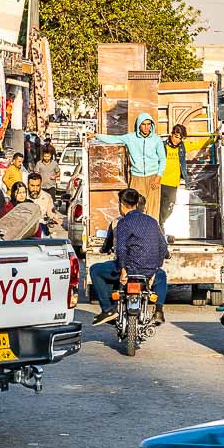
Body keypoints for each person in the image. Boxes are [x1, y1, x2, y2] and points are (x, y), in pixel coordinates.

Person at [89, 188, 169, 327]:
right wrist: (155, 269)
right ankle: (159, 311)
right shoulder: (152, 221)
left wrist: (124, 270)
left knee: (95, 270)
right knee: (162, 276)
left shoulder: (123, 222)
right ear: (137, 204)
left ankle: (108, 309)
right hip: (149, 271)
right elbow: (163, 247)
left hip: (129, 269)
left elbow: (121, 248)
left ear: (121, 204)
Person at [89, 113, 167, 221]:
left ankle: (152, 234)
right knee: (136, 207)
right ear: (139, 125)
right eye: (143, 124)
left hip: (153, 177)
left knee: (153, 208)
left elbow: (162, 159)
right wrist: (96, 136)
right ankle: (137, 232)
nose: (146, 127)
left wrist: (158, 177)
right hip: (136, 177)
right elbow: (113, 139)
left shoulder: (156, 139)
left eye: (149, 124)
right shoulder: (130, 138)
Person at [159, 125, 189, 227]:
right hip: (160, 181)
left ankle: (160, 223)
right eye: (176, 137)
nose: (178, 140)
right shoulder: (162, 146)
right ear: (171, 134)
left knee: (169, 208)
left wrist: (215, 138)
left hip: (173, 183)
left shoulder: (182, 147)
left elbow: (197, 144)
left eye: (180, 138)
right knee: (158, 206)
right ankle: (158, 225)